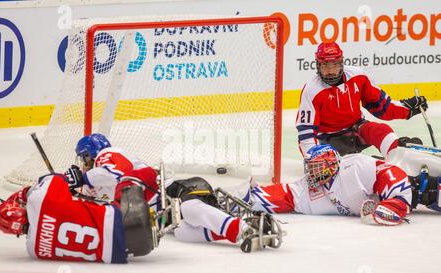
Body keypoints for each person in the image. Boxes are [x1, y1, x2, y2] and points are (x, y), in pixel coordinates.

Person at [244, 144, 439, 226]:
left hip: (424, 188)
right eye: (310, 168)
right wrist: (245, 199)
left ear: (330, 165)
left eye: (317, 168)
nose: (312, 173)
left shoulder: (353, 167)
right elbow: (286, 195)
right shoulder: (310, 189)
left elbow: (389, 173)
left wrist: (395, 203)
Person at [0, 168, 158, 263]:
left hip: (127, 250)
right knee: (133, 177)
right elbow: (56, 178)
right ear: (21, 209)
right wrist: (22, 195)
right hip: (126, 220)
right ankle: (165, 195)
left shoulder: (33, 250)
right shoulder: (38, 200)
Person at [296, 41, 428, 158]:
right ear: (318, 65)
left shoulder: (358, 76)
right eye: (325, 66)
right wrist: (313, 158)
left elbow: (381, 107)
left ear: (341, 63)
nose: (330, 71)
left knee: (382, 130)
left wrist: (407, 109)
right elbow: (306, 132)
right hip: (329, 140)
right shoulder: (311, 90)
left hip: (357, 129)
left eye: (334, 65)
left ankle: (398, 156)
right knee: (342, 164)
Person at [164, 177, 280, 253]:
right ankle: (249, 229)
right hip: (178, 215)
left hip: (189, 190)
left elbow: (151, 176)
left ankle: (238, 227)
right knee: (180, 233)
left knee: (187, 208)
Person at [65, 133, 156, 202]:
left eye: (83, 158)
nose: (83, 163)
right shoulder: (100, 177)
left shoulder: (106, 154)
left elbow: (115, 175)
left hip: (159, 198)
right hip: (149, 204)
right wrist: (69, 187)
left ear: (88, 154)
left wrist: (82, 178)